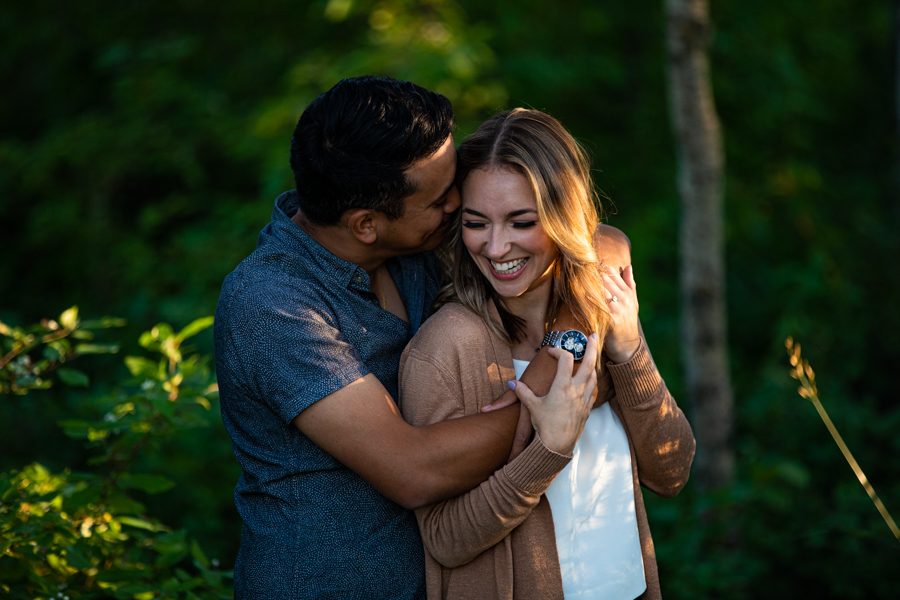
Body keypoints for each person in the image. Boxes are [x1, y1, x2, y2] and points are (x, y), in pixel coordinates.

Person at [214, 77, 597, 599]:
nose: (458, 202)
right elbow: (412, 469)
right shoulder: (271, 304)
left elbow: (595, 241)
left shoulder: (420, 246)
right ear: (366, 224)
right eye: (441, 199)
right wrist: (559, 393)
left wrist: (573, 326)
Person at [398, 108, 696, 600]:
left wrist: (629, 352)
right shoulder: (444, 347)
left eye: (522, 221)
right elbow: (446, 541)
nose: (496, 247)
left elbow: (672, 471)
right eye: (477, 223)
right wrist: (547, 450)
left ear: (564, 216)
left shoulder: (598, 314)